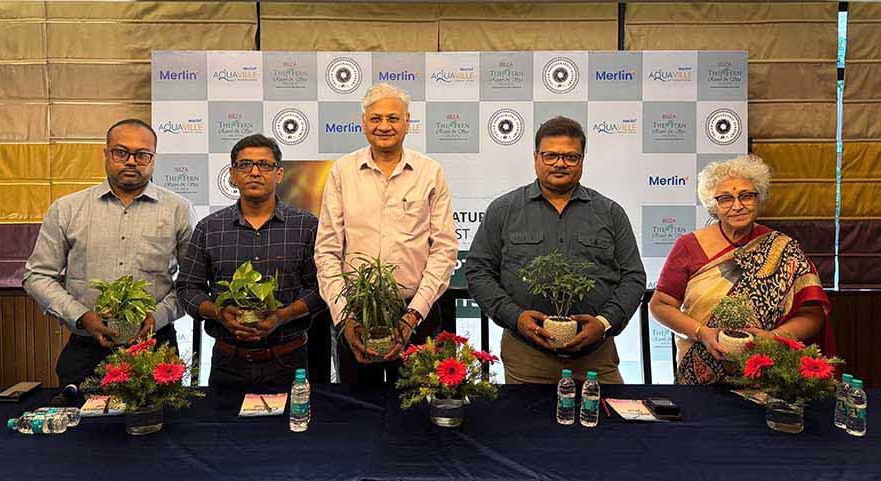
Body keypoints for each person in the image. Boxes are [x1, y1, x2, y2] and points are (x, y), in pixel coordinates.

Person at [465, 116, 645, 384]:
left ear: (582, 160)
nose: (560, 163)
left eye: (571, 157)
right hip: (527, 358)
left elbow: (634, 277)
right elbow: (478, 271)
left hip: (596, 357)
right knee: (529, 426)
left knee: (608, 424)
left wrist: (604, 323)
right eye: (550, 156)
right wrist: (515, 318)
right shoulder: (504, 211)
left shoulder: (610, 213)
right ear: (536, 157)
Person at [23, 119, 195, 387]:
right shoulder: (67, 209)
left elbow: (192, 282)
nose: (131, 161)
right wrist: (82, 316)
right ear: (106, 154)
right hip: (86, 349)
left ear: (153, 158)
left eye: (142, 154)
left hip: (155, 348)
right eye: (121, 152)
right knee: (83, 428)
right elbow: (37, 276)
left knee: (159, 427)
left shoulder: (178, 210)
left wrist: (158, 317)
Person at [314, 83, 458, 384]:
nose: (384, 126)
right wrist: (345, 319)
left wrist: (412, 317)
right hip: (356, 315)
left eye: (393, 118)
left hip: (415, 312)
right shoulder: (342, 171)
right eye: (376, 118)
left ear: (407, 122)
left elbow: (444, 250)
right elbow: (327, 251)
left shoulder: (430, 172)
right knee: (357, 412)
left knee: (414, 410)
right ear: (364, 123)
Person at [649, 154, 834, 385]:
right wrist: (701, 333)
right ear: (713, 205)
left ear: (760, 198)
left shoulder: (784, 248)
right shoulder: (689, 246)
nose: (737, 205)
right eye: (725, 199)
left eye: (746, 196)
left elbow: (813, 315)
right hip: (699, 374)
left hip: (767, 373)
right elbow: (660, 305)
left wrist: (773, 338)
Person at [176, 134, 322, 391]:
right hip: (227, 361)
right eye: (245, 165)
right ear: (232, 174)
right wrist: (220, 313)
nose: (255, 172)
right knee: (223, 430)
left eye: (264, 165)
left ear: (278, 174)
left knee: (290, 429)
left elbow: (320, 288)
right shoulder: (210, 228)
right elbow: (188, 289)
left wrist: (281, 316)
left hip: (289, 362)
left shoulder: (307, 226)